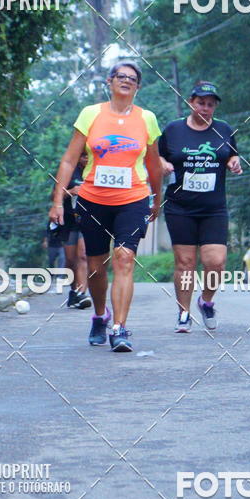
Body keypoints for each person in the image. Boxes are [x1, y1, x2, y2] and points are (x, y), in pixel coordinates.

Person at [48, 61, 162, 352]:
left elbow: (153, 164)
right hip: (93, 200)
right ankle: (100, 316)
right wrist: (58, 200)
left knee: (124, 258)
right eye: (120, 77)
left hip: (133, 199)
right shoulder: (91, 114)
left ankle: (120, 328)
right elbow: (69, 160)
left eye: (132, 79)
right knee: (97, 268)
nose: (126, 81)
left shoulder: (147, 118)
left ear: (138, 87)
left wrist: (156, 197)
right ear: (110, 82)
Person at [158, 80, 241, 333]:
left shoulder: (224, 130)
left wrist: (234, 163)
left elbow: (232, 154)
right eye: (200, 103)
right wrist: (162, 163)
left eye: (210, 104)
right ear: (190, 103)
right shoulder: (173, 130)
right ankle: (183, 313)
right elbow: (158, 154)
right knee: (185, 262)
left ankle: (206, 301)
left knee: (215, 261)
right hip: (179, 207)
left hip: (213, 208)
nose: (205, 108)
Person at [59, 154, 92, 310]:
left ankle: (81, 294)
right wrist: (71, 191)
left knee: (83, 255)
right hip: (69, 220)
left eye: (89, 156)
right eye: (84, 156)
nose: (86, 159)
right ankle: (73, 291)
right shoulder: (69, 171)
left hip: (87, 219)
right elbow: (55, 195)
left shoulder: (96, 170)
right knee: (71, 260)